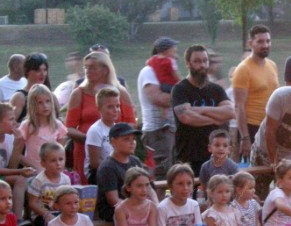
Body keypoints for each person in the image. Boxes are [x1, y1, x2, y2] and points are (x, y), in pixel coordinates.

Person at [65, 51, 136, 184]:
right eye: (86, 67)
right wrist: (92, 139)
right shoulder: (79, 93)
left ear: (105, 70)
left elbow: (132, 123)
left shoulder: (119, 92)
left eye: (92, 67)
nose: (87, 71)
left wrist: (114, 138)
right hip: (85, 150)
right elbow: (68, 128)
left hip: (116, 150)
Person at [172, 44, 235, 176]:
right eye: (197, 61)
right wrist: (217, 118)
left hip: (216, 157)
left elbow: (230, 112)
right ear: (188, 63)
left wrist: (199, 110)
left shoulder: (216, 89)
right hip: (189, 157)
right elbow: (186, 117)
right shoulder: (180, 89)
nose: (202, 65)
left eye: (205, 61)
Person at [231, 25, 280, 160]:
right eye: (260, 41)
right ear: (250, 43)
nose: (265, 45)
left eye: (268, 41)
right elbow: (239, 106)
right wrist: (245, 138)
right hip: (252, 127)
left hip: (272, 125)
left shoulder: (272, 65)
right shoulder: (243, 69)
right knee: (252, 175)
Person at [96, 123, 157, 223]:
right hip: (117, 213)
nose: (132, 142)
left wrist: (156, 206)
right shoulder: (107, 167)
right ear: (113, 142)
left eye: (133, 139)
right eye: (126, 139)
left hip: (138, 206)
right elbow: (113, 201)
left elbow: (149, 187)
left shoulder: (135, 161)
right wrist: (138, 210)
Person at [26, 142, 71, 226]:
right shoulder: (39, 181)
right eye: (53, 160)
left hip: (60, 214)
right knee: (53, 224)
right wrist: (45, 214)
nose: (58, 163)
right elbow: (32, 203)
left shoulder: (66, 179)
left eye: (61, 159)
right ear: (43, 163)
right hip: (41, 216)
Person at [138, 42, 177, 180]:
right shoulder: (149, 71)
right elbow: (159, 98)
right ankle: (159, 200)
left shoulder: (168, 72)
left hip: (170, 130)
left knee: (172, 172)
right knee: (161, 174)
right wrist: (181, 97)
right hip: (157, 131)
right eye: (173, 52)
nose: (175, 56)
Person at [19, 85, 67, 172]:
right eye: (40, 102)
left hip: (53, 172)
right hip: (33, 173)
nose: (45, 106)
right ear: (32, 105)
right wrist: (34, 168)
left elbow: (61, 153)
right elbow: (18, 154)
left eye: (48, 101)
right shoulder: (27, 125)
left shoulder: (58, 125)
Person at [0, 103, 35, 222]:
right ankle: (17, 219)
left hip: (3, 178)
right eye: (11, 119)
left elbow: (11, 166)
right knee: (20, 179)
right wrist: (20, 171)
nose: (15, 123)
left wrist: (17, 145)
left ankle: (29, 218)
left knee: (32, 180)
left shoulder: (10, 138)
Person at [84, 87, 120, 184]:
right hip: (99, 174)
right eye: (110, 107)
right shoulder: (96, 130)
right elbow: (95, 163)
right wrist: (118, 166)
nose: (115, 110)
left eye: (117, 106)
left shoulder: (118, 129)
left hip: (115, 168)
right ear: (99, 108)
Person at [9, 52, 50, 122]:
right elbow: (9, 125)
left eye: (45, 70)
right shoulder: (19, 97)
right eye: (38, 70)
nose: (43, 74)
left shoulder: (50, 95)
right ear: (26, 71)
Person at [198, 129, 239, 195]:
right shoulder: (205, 167)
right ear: (210, 148)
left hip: (228, 200)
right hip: (211, 200)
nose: (221, 148)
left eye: (225, 146)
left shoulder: (232, 166)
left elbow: (235, 186)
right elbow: (204, 187)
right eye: (217, 145)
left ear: (229, 149)